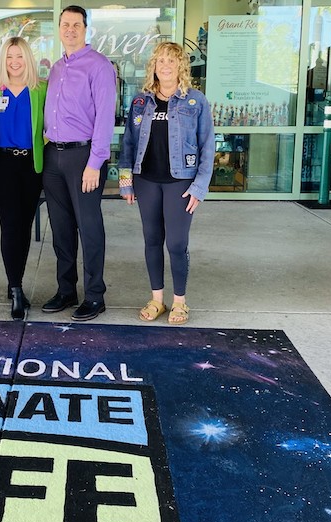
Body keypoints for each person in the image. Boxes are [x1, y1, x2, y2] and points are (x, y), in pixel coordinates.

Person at [118, 41, 214, 325]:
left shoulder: (195, 101)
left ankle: (180, 302)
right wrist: (126, 182)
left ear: (181, 66)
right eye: (160, 61)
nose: (166, 66)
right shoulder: (140, 101)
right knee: (152, 240)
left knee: (176, 243)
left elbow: (207, 145)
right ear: (154, 67)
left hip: (180, 183)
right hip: (146, 181)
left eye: (171, 61)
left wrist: (199, 186)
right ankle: (157, 299)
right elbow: (128, 145)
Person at [41, 5, 117, 322]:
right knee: (60, 229)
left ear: (85, 29)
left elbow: (104, 118)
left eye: (76, 24)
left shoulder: (99, 66)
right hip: (53, 156)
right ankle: (66, 290)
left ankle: (95, 295)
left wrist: (95, 162)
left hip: (83, 157)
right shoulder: (56, 67)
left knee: (89, 227)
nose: (70, 29)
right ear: (59, 29)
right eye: (65, 24)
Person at [0, 37, 47, 320]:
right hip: (3, 165)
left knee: (24, 226)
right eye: (9, 56)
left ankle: (14, 281)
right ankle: (17, 289)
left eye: (20, 56)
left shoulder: (41, 89)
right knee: (10, 225)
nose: (14, 62)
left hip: (32, 166)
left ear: (28, 59)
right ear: (3, 59)